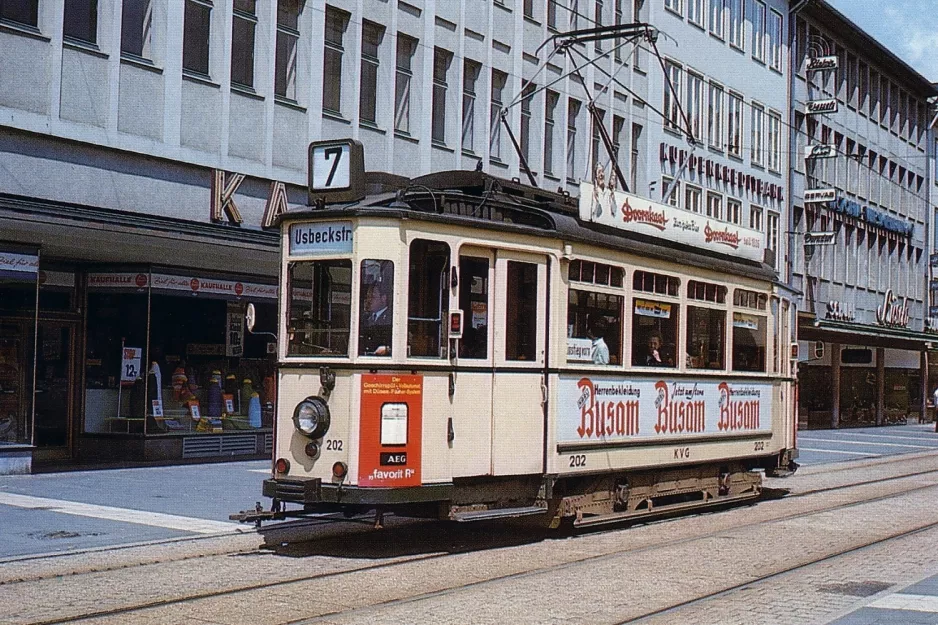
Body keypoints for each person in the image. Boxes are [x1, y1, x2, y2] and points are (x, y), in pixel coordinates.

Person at [359, 284, 392, 356]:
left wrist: (387, 349)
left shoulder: (391, 318)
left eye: (373, 297)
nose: (369, 301)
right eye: (368, 297)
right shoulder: (366, 317)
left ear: (383, 298)